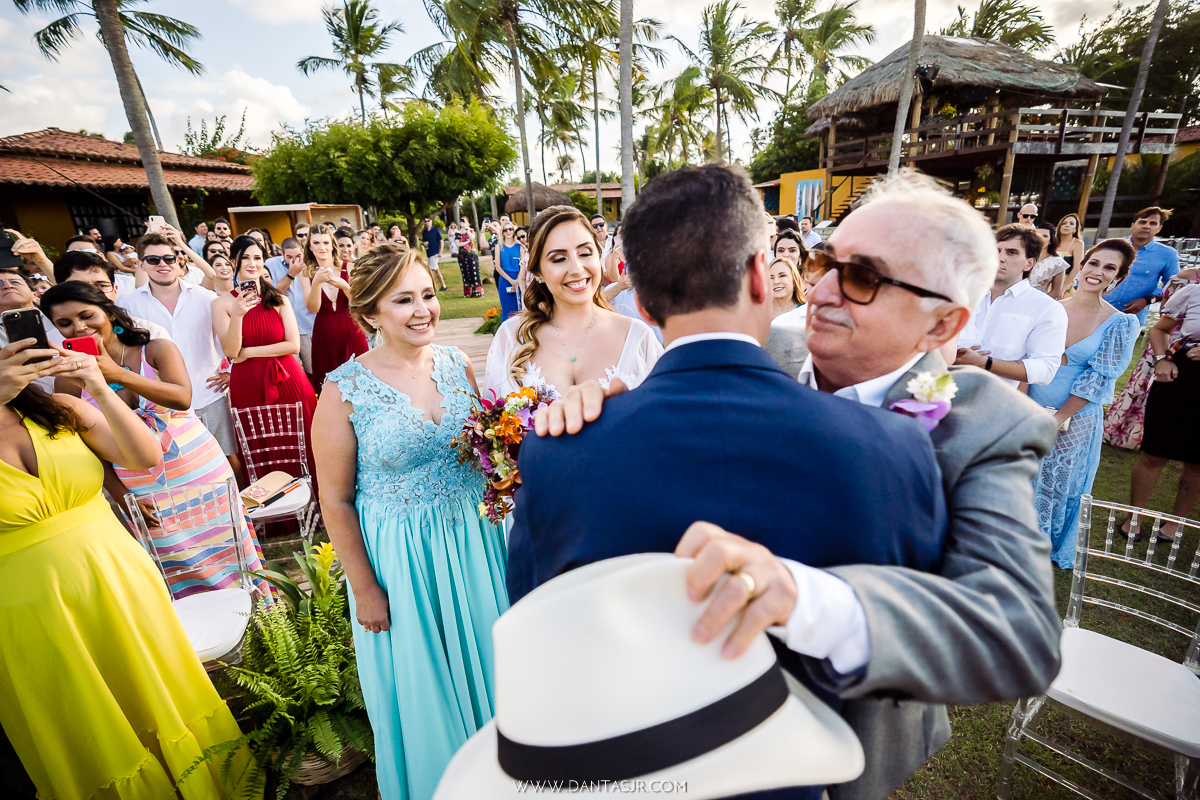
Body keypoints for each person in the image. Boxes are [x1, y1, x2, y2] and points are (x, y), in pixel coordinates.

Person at [539, 169, 1062, 800]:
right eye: (824, 261)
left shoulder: (986, 423)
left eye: (864, 277)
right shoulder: (772, 348)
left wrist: (808, 600)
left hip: (850, 744)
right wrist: (601, 403)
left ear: (944, 325)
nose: (821, 292)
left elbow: (1016, 630)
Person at [0, 337, 256, 799]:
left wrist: (98, 385)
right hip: (27, 609)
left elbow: (144, 457)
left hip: (119, 577)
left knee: (160, 690)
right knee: (89, 715)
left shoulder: (57, 408)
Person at [312, 244, 508, 800]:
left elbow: (483, 451)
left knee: (498, 669)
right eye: (404, 300)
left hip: (477, 545)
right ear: (371, 311)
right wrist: (366, 587)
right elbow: (336, 500)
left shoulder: (454, 363)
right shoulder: (342, 389)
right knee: (428, 691)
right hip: (404, 564)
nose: (424, 309)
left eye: (427, 294)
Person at [41, 282, 268, 594]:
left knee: (232, 554)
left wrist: (116, 374)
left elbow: (182, 397)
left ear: (107, 311)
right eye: (64, 323)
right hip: (140, 489)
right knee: (173, 570)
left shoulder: (154, 348)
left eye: (86, 315)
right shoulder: (68, 379)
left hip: (200, 473)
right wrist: (120, 495)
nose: (79, 327)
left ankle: (266, 628)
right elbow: (86, 448)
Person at [1027, 240, 1139, 568]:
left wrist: (1059, 417)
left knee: (1058, 482)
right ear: (1082, 264)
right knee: (1024, 472)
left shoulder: (1121, 323)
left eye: (1109, 268)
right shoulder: (1050, 308)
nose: (1098, 272)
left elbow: (1099, 378)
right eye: (1094, 263)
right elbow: (1027, 360)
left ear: (1117, 278)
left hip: (1076, 414)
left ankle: (1044, 546)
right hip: (1032, 403)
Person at [484, 205, 662, 399]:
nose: (576, 269)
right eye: (559, 258)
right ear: (537, 272)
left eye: (585, 253)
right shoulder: (511, 338)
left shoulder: (637, 338)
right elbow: (491, 421)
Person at [120, 233, 243, 477]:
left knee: (228, 457)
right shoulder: (128, 307)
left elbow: (230, 341)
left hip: (210, 393)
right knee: (183, 464)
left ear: (179, 261)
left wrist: (231, 372)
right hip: (162, 400)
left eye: (168, 258)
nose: (162, 264)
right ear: (141, 264)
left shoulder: (207, 298)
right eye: (153, 260)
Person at [1122, 279, 1200, 540]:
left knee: (1197, 463)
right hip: (1179, 376)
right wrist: (1161, 360)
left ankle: (1175, 523)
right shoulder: (1193, 292)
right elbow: (1160, 330)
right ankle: (1135, 516)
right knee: (1154, 453)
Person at [955, 224, 1067, 388]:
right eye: (996, 251)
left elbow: (1046, 369)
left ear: (1029, 263)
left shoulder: (1047, 309)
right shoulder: (962, 294)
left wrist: (985, 363)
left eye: (1012, 253)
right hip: (935, 391)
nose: (999, 258)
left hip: (992, 401)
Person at [1104, 264, 1200, 449]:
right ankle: (1126, 435)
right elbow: (1166, 310)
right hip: (1170, 343)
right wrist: (1163, 354)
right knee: (1143, 390)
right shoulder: (1186, 277)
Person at [302, 227, 369, 389]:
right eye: (316, 243)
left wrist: (346, 287)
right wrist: (316, 283)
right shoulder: (305, 274)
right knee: (330, 386)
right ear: (310, 247)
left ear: (332, 245)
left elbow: (360, 304)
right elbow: (313, 308)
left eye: (325, 242)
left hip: (352, 330)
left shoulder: (350, 268)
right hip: (324, 335)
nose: (321, 247)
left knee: (360, 380)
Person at [1102, 207, 1180, 326]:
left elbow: (1174, 285)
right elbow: (1084, 272)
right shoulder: (1111, 247)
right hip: (1098, 311)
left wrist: (1148, 300)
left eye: (1152, 223)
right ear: (1133, 225)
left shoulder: (1168, 254)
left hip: (1131, 318)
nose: (1146, 226)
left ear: (1159, 228)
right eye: (1142, 221)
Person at [267, 237, 317, 377]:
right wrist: (291, 274)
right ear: (282, 254)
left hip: (308, 324)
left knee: (312, 368)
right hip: (283, 328)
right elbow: (272, 294)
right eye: (289, 257)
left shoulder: (311, 264)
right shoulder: (271, 264)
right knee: (291, 371)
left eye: (298, 256)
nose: (294, 261)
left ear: (303, 252)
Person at [1028, 223, 1070, 299]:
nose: (1040, 238)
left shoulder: (1058, 262)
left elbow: (1056, 292)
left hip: (1040, 302)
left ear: (1050, 240)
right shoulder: (1023, 256)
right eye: (1037, 235)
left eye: (1045, 236)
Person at [496, 222, 523, 320]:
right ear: (502, 232)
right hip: (504, 279)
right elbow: (498, 267)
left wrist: (517, 280)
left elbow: (523, 266)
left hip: (519, 279)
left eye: (510, 229)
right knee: (507, 309)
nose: (508, 231)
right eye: (505, 230)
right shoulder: (499, 246)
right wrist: (511, 281)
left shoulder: (520, 246)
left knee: (519, 308)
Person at [1055, 212, 1086, 284]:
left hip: (1066, 282)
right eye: (1064, 223)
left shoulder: (1078, 243)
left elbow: (1076, 268)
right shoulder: (1052, 242)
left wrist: (1063, 288)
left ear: (1075, 228)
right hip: (1046, 282)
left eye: (1071, 224)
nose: (1067, 225)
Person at [421, 217, 449, 291]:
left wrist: (441, 251)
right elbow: (424, 241)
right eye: (425, 221)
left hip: (435, 252)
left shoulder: (436, 230)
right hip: (429, 252)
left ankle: (430, 286)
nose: (427, 222)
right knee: (436, 271)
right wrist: (424, 244)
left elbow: (441, 241)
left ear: (431, 221)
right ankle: (443, 285)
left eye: (428, 221)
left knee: (430, 270)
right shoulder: (424, 232)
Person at [456, 221, 483, 298]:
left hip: (472, 255)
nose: (463, 223)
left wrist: (467, 229)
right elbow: (458, 244)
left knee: (474, 272)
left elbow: (472, 238)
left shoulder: (470, 230)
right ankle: (468, 292)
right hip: (462, 255)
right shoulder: (458, 232)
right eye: (461, 222)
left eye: (464, 221)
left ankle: (477, 291)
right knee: (466, 273)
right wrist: (467, 242)